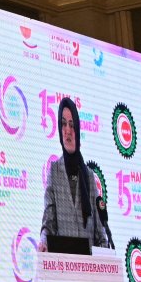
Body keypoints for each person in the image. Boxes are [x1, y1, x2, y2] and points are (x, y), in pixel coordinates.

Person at [40, 96, 112, 250]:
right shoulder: (54, 172)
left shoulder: (89, 176)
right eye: (63, 124)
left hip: (89, 264)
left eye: (72, 125)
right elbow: (48, 223)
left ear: (78, 130)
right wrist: (44, 242)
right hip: (64, 262)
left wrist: (106, 255)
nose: (68, 131)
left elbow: (100, 234)